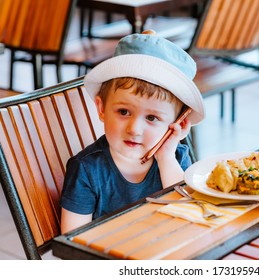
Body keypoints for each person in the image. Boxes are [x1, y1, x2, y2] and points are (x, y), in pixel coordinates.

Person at [60, 30, 205, 233]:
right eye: (124, 111)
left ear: (177, 124)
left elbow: (189, 220)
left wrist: (166, 159)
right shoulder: (86, 169)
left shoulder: (175, 159)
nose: (134, 129)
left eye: (152, 118)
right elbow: (72, 242)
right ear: (101, 109)